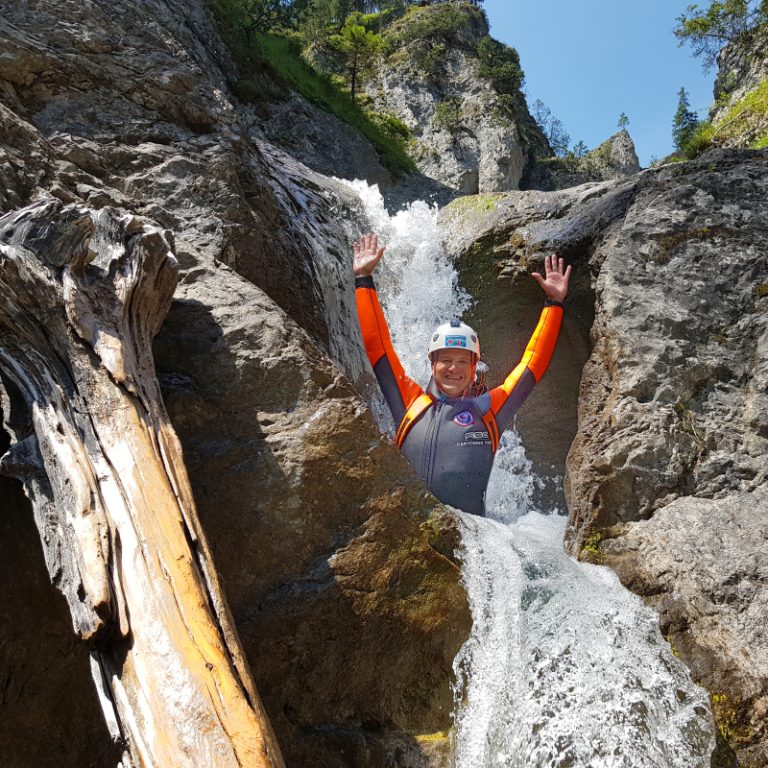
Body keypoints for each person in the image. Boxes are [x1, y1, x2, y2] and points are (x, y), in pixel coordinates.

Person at [354, 232, 570, 517]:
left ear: (473, 369)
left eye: (461, 362)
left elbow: (531, 365)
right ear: (432, 365)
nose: (453, 368)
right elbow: (378, 348)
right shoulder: (410, 403)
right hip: (411, 536)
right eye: (444, 360)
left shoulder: (490, 411)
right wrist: (363, 280)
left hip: (472, 545)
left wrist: (553, 304)